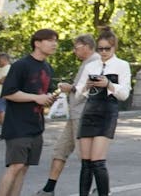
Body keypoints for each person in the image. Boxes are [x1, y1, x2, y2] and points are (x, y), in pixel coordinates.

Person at [0, 29, 59, 196]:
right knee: (15, 166)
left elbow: (45, 93)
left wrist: (50, 98)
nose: (54, 44)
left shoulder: (47, 67)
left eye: (55, 40)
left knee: (23, 168)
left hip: (36, 125)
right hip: (18, 125)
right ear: (37, 43)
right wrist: (36, 98)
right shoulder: (21, 65)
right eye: (50, 40)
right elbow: (9, 92)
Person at [41, 34, 102, 194]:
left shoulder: (96, 62)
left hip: (84, 115)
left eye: (77, 48)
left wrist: (71, 88)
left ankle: (99, 188)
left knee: (86, 155)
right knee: (60, 149)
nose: (75, 51)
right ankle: (49, 188)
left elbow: (90, 89)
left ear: (86, 46)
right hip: (75, 114)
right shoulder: (87, 62)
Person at [77, 30, 132, 196]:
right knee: (86, 162)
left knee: (97, 161)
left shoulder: (122, 65)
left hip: (107, 112)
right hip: (89, 111)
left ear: (114, 47)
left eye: (107, 48)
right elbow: (79, 93)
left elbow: (124, 94)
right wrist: (87, 86)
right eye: (100, 49)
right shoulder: (90, 66)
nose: (103, 52)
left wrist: (109, 84)